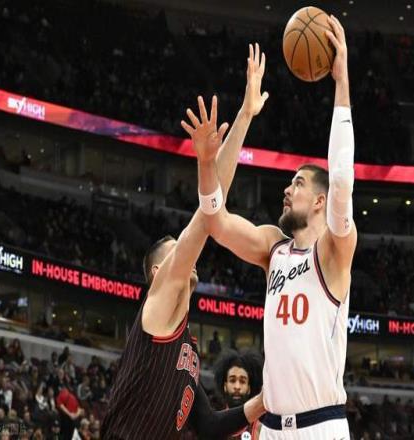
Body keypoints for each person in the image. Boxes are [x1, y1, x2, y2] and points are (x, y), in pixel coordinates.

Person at [193, 17, 356, 439]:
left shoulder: (334, 251)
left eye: (298, 183)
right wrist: (243, 117)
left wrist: (341, 82)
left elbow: (341, 179)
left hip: (321, 426)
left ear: (319, 201)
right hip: (270, 428)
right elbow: (214, 217)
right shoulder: (274, 248)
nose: (287, 189)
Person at [101, 43, 269, 439]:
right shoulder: (159, 302)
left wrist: (267, 398)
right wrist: (210, 158)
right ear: (158, 271)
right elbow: (206, 218)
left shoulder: (187, 349)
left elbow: (209, 426)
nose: (185, 249)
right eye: (176, 247)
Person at [214, 349, 264, 439]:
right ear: (225, 386)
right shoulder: (213, 424)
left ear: (249, 388)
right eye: (232, 380)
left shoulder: (260, 429)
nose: (237, 387)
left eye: (242, 381)